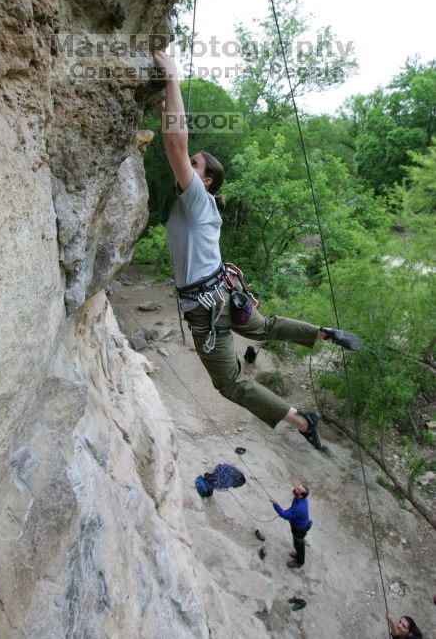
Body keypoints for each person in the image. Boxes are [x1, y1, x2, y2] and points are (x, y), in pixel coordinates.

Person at [153, 50, 361, 452]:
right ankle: (323, 333)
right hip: (224, 293)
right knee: (264, 328)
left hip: (207, 304)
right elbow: (178, 143)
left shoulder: (197, 199)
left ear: (206, 180)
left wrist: (173, 78)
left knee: (230, 382)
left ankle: (302, 420)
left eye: (195, 165)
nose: (186, 164)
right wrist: (165, 99)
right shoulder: (204, 205)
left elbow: (176, 145)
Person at [270, 485, 311, 568]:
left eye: (298, 489)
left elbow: (284, 515)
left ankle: (299, 562)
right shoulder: (300, 498)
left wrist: (275, 504)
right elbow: (291, 511)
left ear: (301, 495)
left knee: (299, 545)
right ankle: (297, 554)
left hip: (299, 529)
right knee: (297, 543)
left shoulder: (299, 507)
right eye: (297, 487)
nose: (295, 488)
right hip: (300, 525)